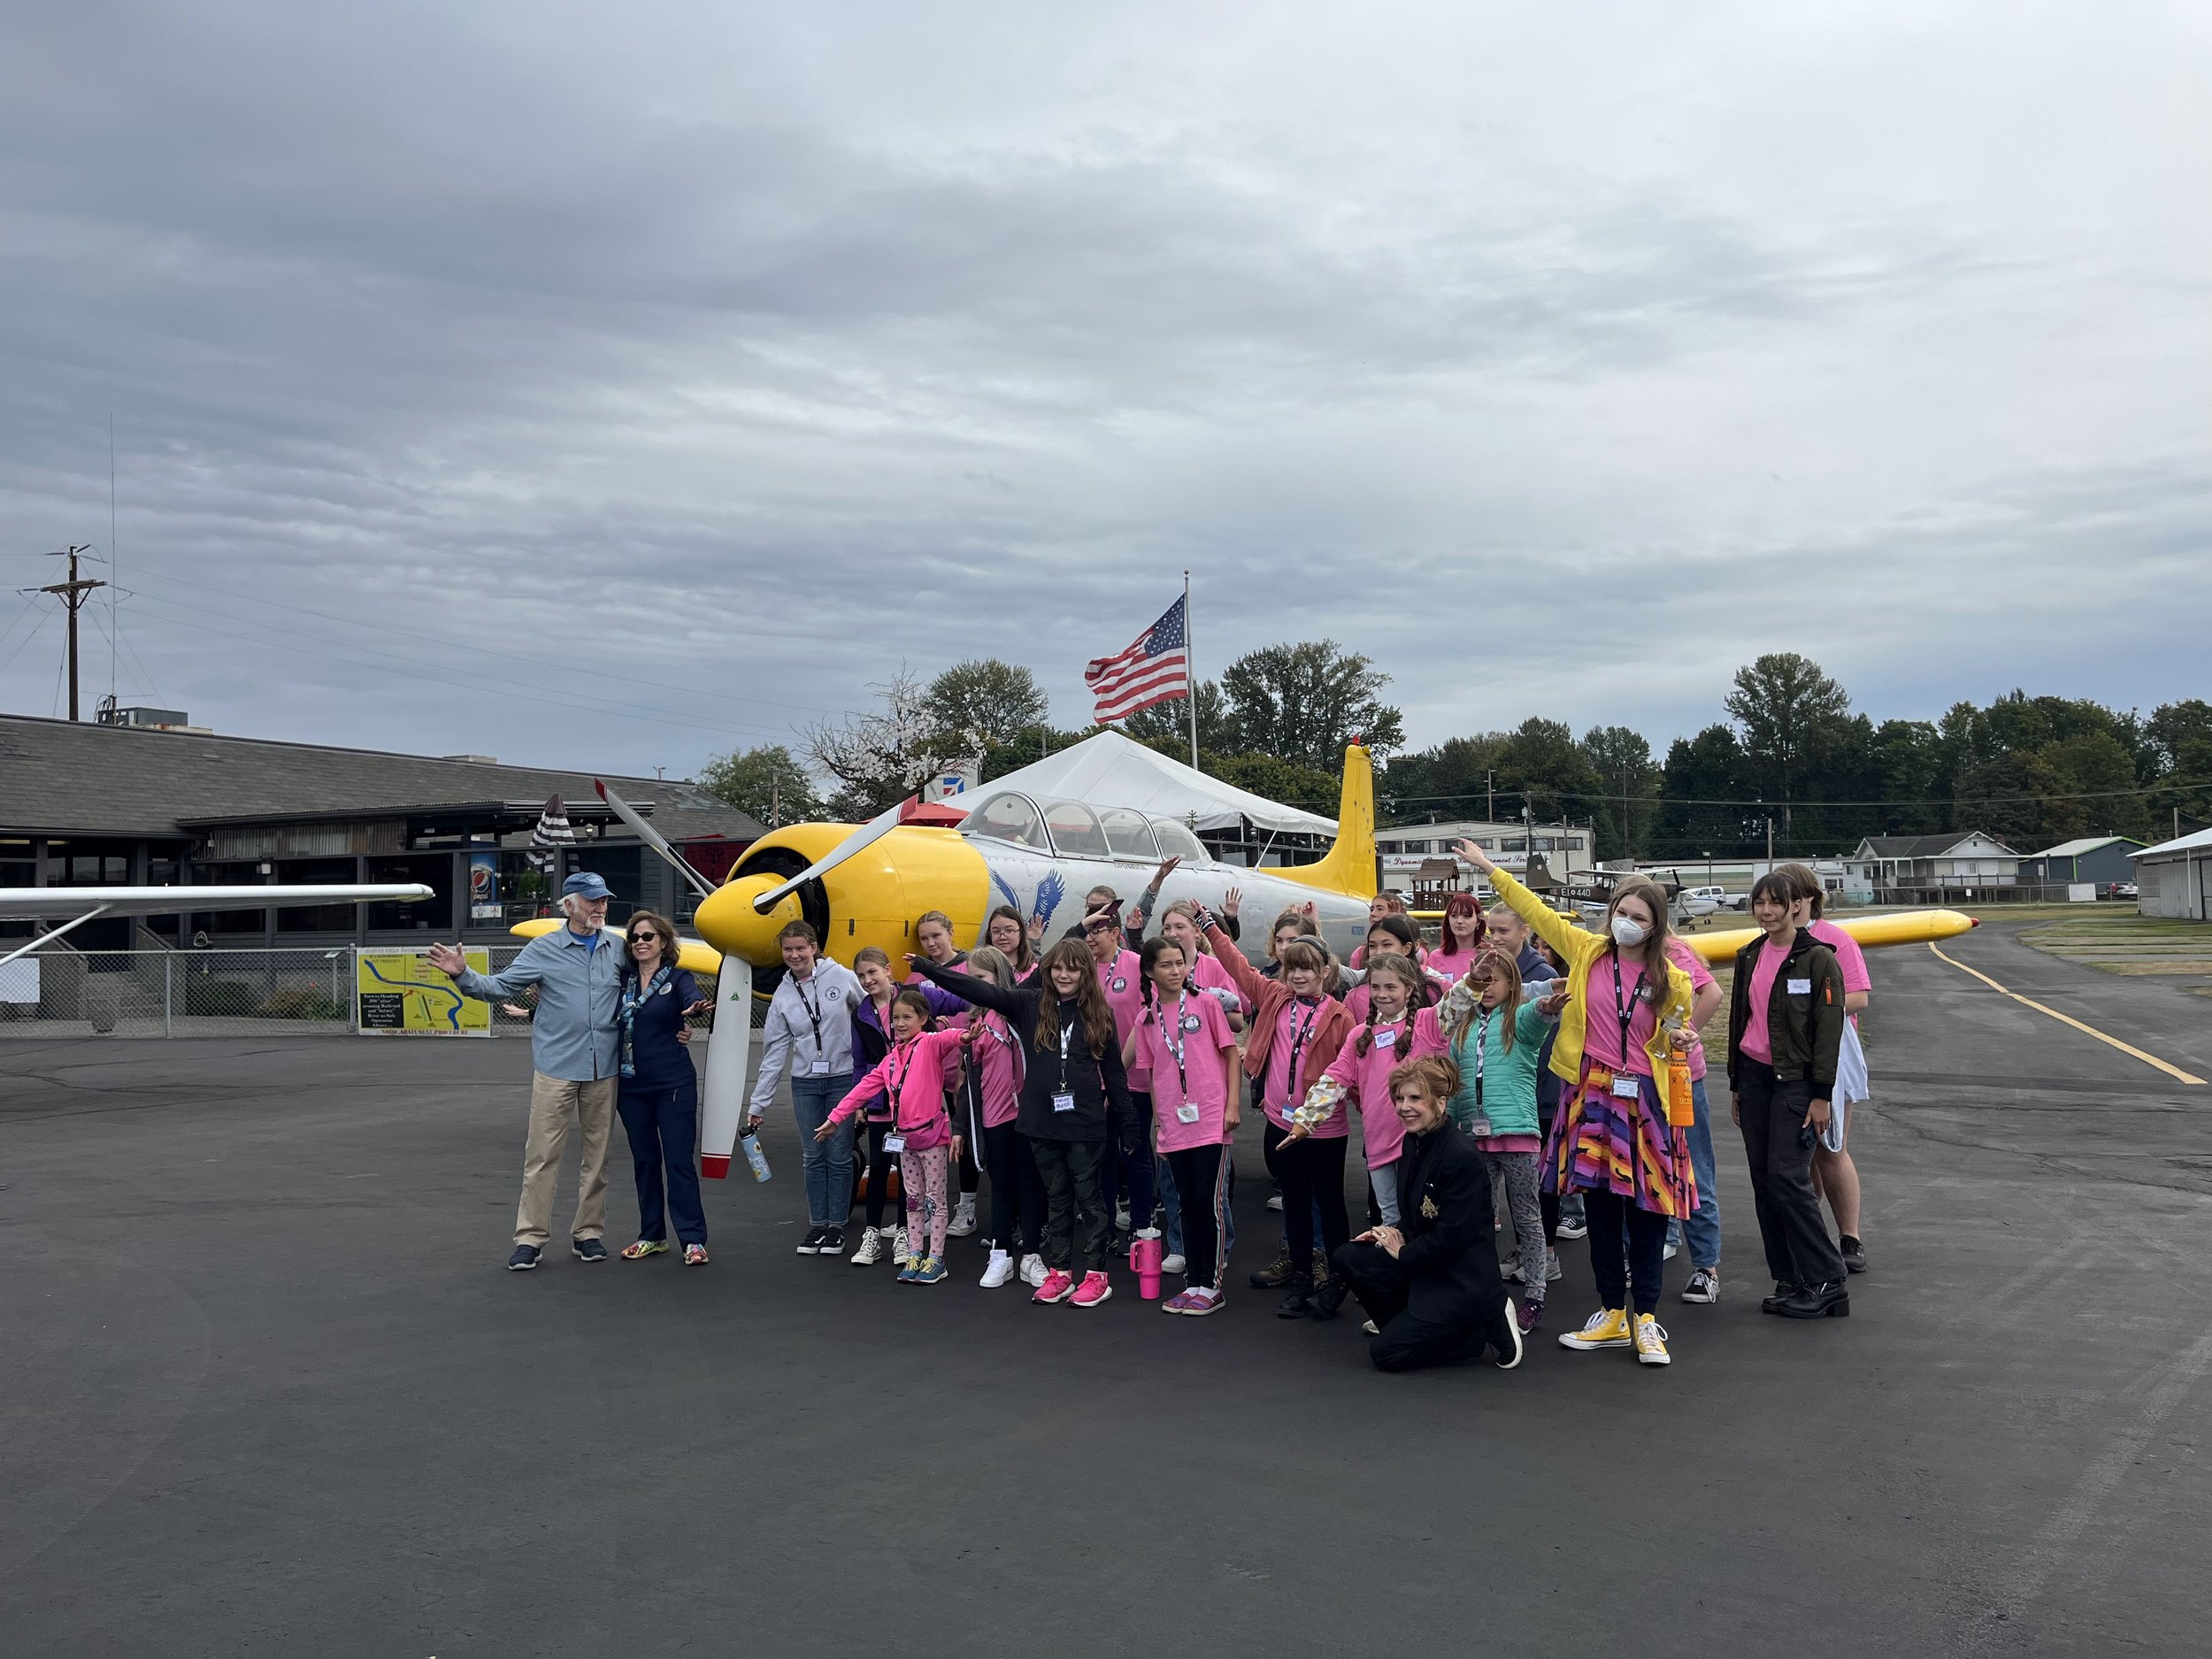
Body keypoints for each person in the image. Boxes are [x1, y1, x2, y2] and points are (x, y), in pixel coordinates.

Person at [1452, 840, 1696, 1368]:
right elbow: (1533, 906)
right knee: (1603, 1208)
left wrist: (1685, 1043)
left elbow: (1677, 1035)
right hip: (1591, 1092)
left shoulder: (1671, 981)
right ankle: (1610, 1312)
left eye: (1639, 917)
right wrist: (1488, 866)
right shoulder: (1587, 952)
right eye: (1621, 912)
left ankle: (1647, 1319)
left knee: (1648, 1209)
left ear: (1656, 926)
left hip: (1647, 1101)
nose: (1627, 922)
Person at [909, 938, 1134, 1308]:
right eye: (1057, 967)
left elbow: (1113, 1072)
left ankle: (1097, 1275)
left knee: (1090, 1201)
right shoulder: (1029, 1004)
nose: (1064, 975)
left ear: (1085, 973)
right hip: (1041, 1123)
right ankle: (1060, 1273)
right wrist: (931, 968)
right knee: (1057, 1200)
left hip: (1085, 1123)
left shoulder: (1099, 1013)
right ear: (1047, 971)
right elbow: (978, 988)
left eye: (1073, 968)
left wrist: (1129, 1124)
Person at [429, 872, 626, 1271]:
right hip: (556, 1068)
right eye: (591, 901)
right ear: (569, 905)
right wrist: (461, 974)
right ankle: (531, 1239)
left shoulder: (618, 948)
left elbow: (645, 987)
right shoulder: (544, 948)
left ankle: (588, 1233)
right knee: (541, 1156)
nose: (600, 907)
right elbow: (501, 987)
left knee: (598, 1156)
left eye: (604, 900)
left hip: (604, 1067)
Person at [1326, 1056, 1524, 1373]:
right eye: (1400, 1098)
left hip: (1459, 1279)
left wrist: (1402, 1250)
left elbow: (1453, 1239)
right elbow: (1418, 1213)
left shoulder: (1460, 1157)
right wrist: (1388, 1233)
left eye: (1416, 1098)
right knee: (1349, 1256)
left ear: (1441, 1103)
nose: (1405, 1106)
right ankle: (1406, 1325)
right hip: (1427, 1261)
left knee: (1385, 1355)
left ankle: (1477, 1330)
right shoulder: (1413, 1143)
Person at [1202, 916, 1354, 1315]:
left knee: (1331, 1204)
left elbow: (1353, 1071)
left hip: (1323, 1131)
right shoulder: (1275, 997)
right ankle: (1302, 1278)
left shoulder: (1340, 1016)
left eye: (1307, 968)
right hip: (1280, 1123)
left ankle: (1337, 1281)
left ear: (1325, 971)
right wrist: (1211, 927)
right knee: (1295, 1203)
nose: (1299, 975)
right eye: (1293, 968)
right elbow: (1238, 965)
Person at [1726, 871, 1851, 1319]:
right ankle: (1790, 1277)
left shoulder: (1818, 959)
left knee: (1787, 1177)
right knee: (1764, 1181)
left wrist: (1822, 1095)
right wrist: (1737, 1084)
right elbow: (1741, 1022)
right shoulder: (1750, 955)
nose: (1766, 911)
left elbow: (1828, 1030)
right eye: (1759, 903)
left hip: (1796, 1083)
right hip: (1755, 1079)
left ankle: (1827, 1279)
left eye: (1775, 903)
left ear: (1796, 905)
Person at [1295, 951, 1431, 1318]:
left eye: (1392, 986)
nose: (1383, 994)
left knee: (1423, 1224)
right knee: (1389, 1224)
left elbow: (1458, 1003)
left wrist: (1475, 979)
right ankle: (1395, 1302)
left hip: (1420, 1147)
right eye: (1376, 987)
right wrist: (1304, 1121)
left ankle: (1426, 1298)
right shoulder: (1361, 1035)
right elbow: (1334, 1079)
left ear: (1410, 988)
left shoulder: (1426, 1026)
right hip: (1379, 1148)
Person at [1434, 950, 1562, 1333]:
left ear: (1512, 986)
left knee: (1527, 1216)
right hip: (1474, 1137)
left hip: (1517, 1135)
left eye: (1496, 980)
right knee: (1478, 1217)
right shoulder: (1462, 1027)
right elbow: (1456, 1087)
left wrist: (1546, 1007)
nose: (1488, 987)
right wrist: (1452, 1129)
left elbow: (1536, 1017)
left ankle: (1535, 1295)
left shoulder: (1517, 1020)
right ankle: (1482, 1289)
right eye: (1482, 980)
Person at [1124, 935, 1240, 1314]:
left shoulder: (1206, 1004)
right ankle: (1195, 1281)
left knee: (1209, 1204)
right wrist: (1159, 1123)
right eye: (1167, 965)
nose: (1176, 971)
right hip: (1174, 1126)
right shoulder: (1146, 1019)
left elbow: (1231, 1056)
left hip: (1210, 1119)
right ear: (1149, 972)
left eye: (1181, 963)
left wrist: (1232, 1105)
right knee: (1185, 1205)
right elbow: (1154, 1074)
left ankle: (1213, 1284)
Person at [818, 989, 964, 1284]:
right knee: (912, 1200)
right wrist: (835, 1118)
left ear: (923, 1019)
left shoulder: (930, 1044)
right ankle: (914, 1253)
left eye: (907, 1017)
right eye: (896, 1018)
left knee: (935, 1200)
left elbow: (950, 1038)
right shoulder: (890, 1061)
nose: (900, 1023)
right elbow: (861, 1090)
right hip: (906, 1141)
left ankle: (936, 1258)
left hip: (933, 1139)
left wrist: (965, 1036)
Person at [1777, 864, 1874, 1274]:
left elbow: (1859, 998)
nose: (1779, 907)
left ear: (1808, 898)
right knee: (1796, 1153)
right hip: (1784, 1059)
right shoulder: (1770, 941)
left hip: (1828, 1055)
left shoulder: (1835, 940)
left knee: (1830, 1148)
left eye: (1785, 898)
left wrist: (1811, 1009)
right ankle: (1806, 1230)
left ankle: (1849, 1237)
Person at [749, 919, 863, 1257]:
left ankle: (837, 1226)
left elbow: (871, 1013)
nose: (795, 955)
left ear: (814, 947)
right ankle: (819, 1223)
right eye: (788, 950)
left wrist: (872, 1076)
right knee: (813, 1156)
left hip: (843, 1078)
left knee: (839, 1155)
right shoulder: (783, 994)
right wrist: (759, 1103)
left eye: (801, 948)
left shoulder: (841, 977)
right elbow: (774, 1053)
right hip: (806, 1083)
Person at [849, 948, 967, 1266]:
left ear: (888, 970)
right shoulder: (860, 1013)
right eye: (861, 976)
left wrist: (983, 1005)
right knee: (878, 1168)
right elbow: (861, 1063)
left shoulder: (915, 995)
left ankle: (904, 1233)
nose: (867, 980)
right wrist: (859, 1103)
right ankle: (871, 1234)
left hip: (915, 1104)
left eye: (872, 972)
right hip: (879, 1102)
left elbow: (956, 1000)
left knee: (907, 1173)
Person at [606, 910, 710, 1264]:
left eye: (648, 937)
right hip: (630, 1086)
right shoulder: (621, 979)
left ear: (663, 942)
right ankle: (651, 1235)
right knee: (645, 1161)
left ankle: (693, 1239)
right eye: (634, 937)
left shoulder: (679, 978)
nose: (640, 943)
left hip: (673, 1084)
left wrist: (694, 1012)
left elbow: (691, 1001)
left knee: (678, 1160)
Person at [956, 945, 1045, 1287]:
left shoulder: (1022, 1011)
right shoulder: (975, 1023)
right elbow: (970, 1081)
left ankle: (1032, 1256)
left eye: (982, 978)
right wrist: (961, 1126)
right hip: (995, 1118)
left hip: (1028, 1114)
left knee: (1031, 1184)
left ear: (1000, 977)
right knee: (1003, 1185)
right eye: (972, 980)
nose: (977, 985)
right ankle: (1000, 1254)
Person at [1660, 928, 1727, 1303]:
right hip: (1637, 1076)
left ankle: (1706, 1266)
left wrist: (1686, 1033)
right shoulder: (1615, 953)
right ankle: (1664, 1237)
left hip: (1678, 1075)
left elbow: (1712, 992)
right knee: (1647, 1166)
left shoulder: (1672, 952)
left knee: (1694, 1168)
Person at [1084, 908, 1156, 1246]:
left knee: (1135, 1152)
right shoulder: (1082, 970)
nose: (1092, 937)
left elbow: (1151, 1019)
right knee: (1102, 1157)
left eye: (1099, 931)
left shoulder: (1136, 964)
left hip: (1134, 1080)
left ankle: (1142, 1225)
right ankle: (1106, 1228)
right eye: (1089, 931)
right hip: (1093, 1080)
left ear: (1115, 933)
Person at [1424, 893, 1489, 987]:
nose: (1459, 921)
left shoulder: (1488, 955)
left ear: (1478, 921)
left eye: (1467, 916)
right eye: (1454, 915)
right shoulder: (1435, 957)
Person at [984, 904, 1041, 983]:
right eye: (996, 932)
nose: (1002, 937)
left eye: (1009, 930)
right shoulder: (976, 967)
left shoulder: (1036, 972)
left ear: (1021, 933)